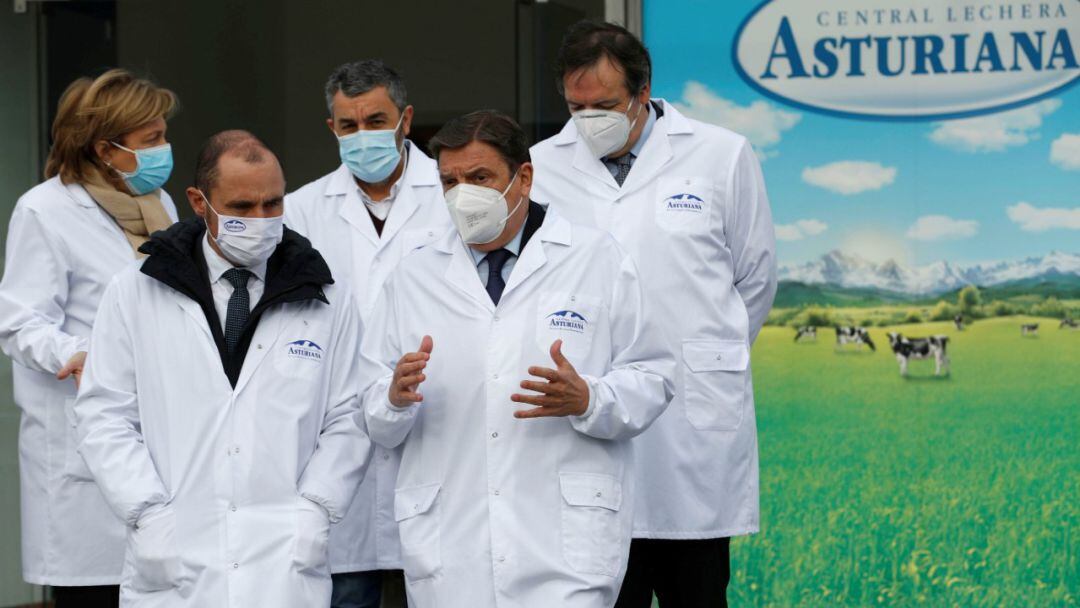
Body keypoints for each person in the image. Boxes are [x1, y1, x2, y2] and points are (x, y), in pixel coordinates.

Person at [359, 110, 675, 608]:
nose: (463, 194)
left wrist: (590, 398)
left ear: (523, 177)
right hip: (452, 543)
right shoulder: (413, 275)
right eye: (450, 181)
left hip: (564, 545)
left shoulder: (596, 259)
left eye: (480, 177)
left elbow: (654, 377)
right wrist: (393, 398)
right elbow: (374, 413)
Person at [530, 21, 778, 607]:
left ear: (643, 93)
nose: (589, 119)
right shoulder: (542, 164)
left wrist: (703, 351)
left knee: (694, 586)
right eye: (576, 106)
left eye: (606, 105)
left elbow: (755, 277)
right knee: (603, 586)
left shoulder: (721, 154)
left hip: (690, 421)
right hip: (587, 408)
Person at [73, 130, 372, 607]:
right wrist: (148, 514)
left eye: (273, 204)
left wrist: (314, 509)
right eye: (242, 207)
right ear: (199, 201)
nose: (261, 220)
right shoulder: (134, 292)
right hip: (173, 552)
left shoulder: (327, 298)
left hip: (283, 559)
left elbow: (349, 417)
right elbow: (103, 416)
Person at [0, 68, 179, 606]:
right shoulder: (45, 210)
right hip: (83, 436)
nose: (164, 150)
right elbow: (19, 320)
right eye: (152, 140)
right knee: (95, 592)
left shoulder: (162, 207)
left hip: (157, 433)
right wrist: (79, 354)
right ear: (107, 148)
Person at [285, 60, 450, 608]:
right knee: (343, 588)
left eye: (375, 120)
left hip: (436, 421)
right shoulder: (300, 212)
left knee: (437, 579)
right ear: (332, 129)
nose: (362, 136)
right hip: (337, 439)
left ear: (405, 120)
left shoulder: (451, 201)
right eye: (348, 125)